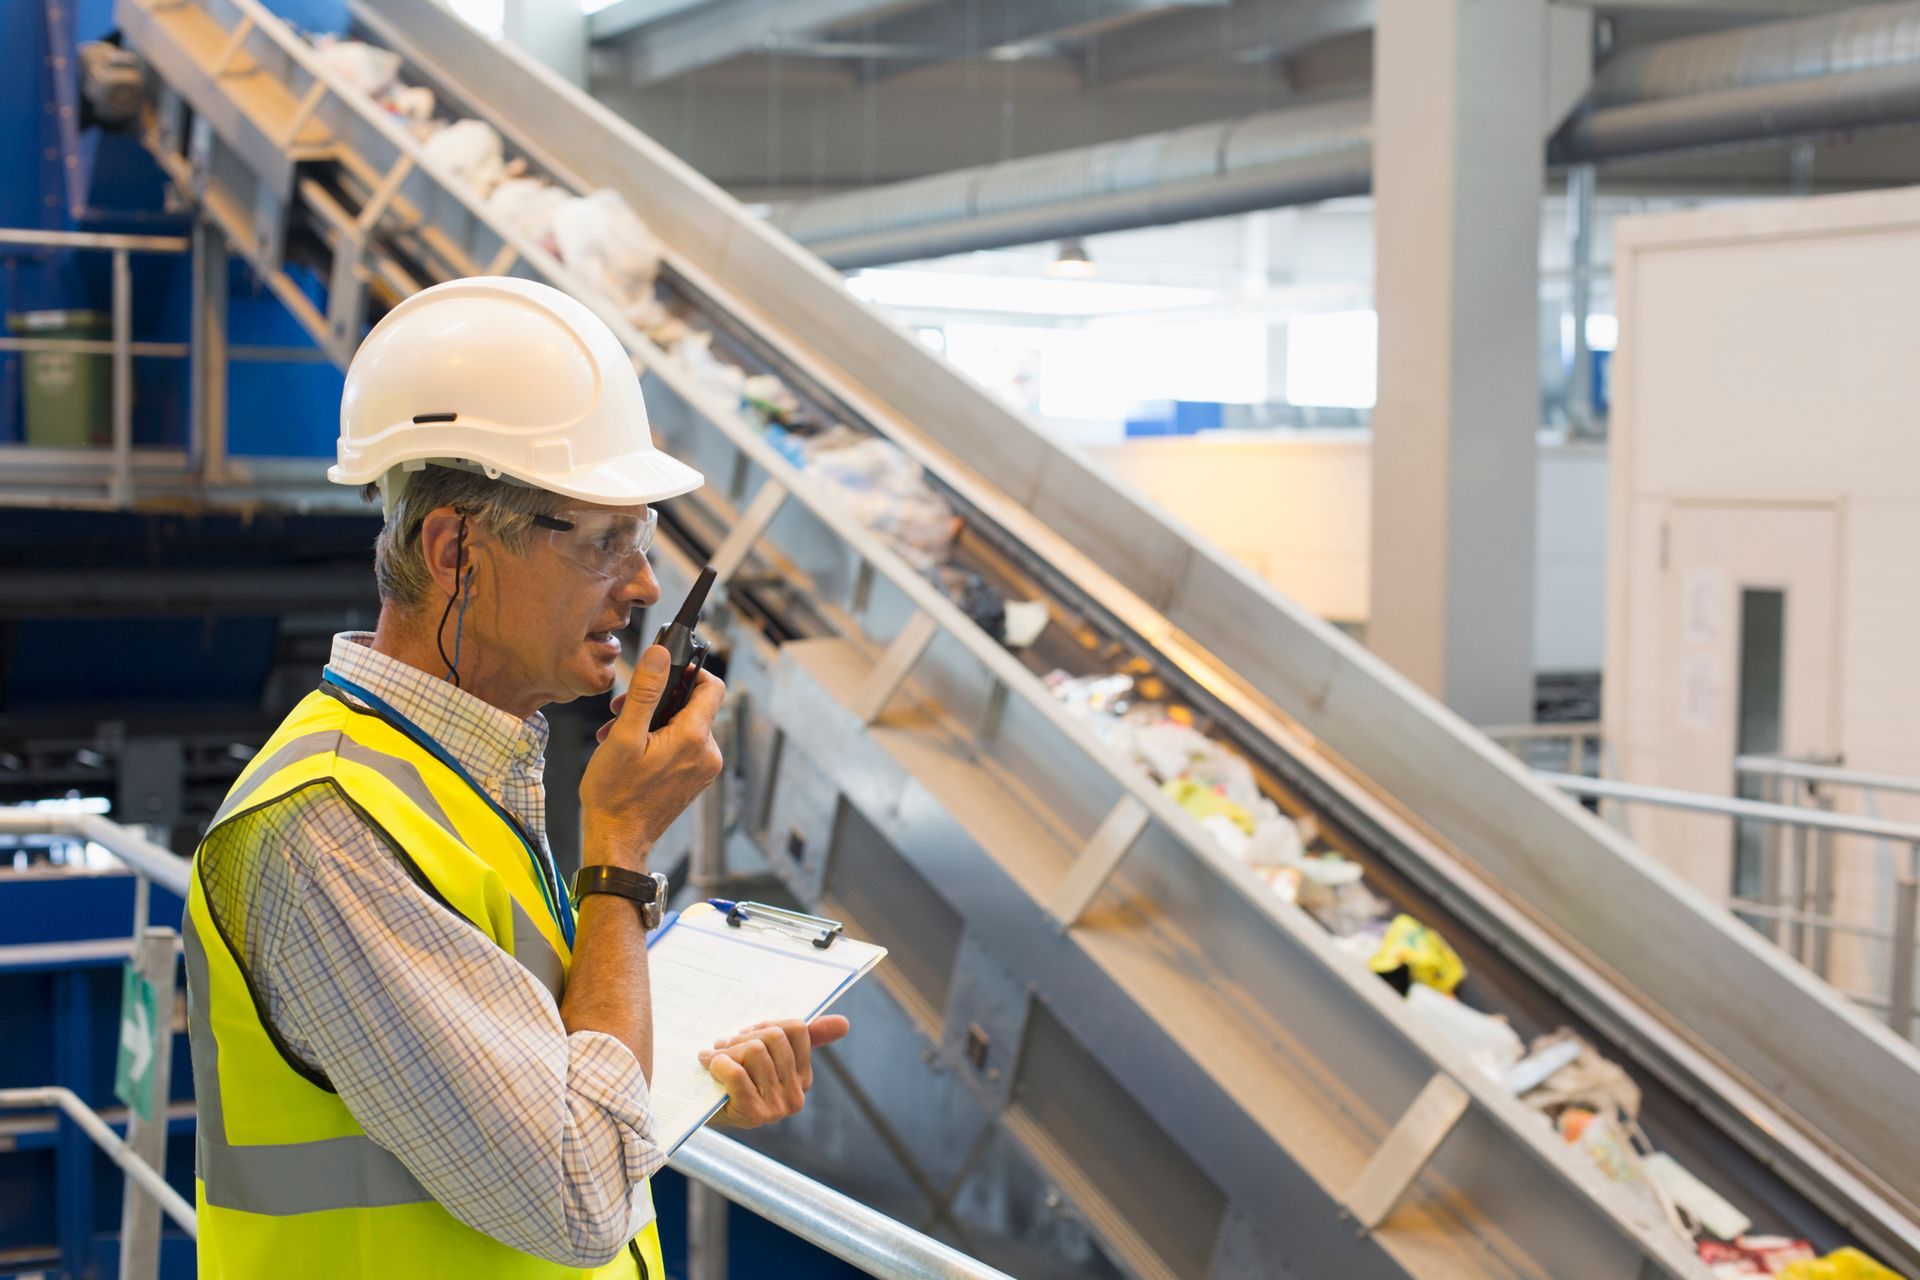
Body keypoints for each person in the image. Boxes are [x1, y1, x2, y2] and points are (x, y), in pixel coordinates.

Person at [182, 276, 848, 1278]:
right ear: (456, 549)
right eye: (602, 538)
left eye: (646, 536)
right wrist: (619, 852)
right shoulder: (324, 828)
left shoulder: (459, 777)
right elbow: (578, 1191)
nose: (645, 583)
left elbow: (540, 1092)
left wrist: (687, 1072)